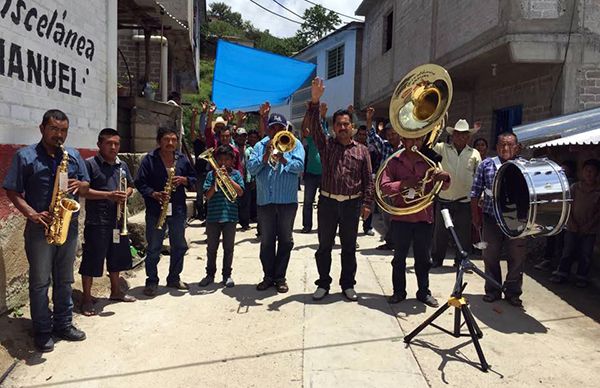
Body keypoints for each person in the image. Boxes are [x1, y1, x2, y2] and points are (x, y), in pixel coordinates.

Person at [3, 109, 90, 352]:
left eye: (63, 130)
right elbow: (12, 190)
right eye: (54, 129)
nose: (59, 135)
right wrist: (30, 212)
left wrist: (81, 184)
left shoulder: (72, 156)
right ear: (42, 128)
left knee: (65, 279)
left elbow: (85, 186)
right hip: (39, 228)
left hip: (68, 227)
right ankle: (42, 330)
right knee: (40, 282)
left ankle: (63, 324)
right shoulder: (25, 156)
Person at [305, 78, 373, 302]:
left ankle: (348, 285)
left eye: (346, 124)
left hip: (352, 205)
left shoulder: (362, 151)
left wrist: (367, 204)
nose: (343, 128)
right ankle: (323, 283)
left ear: (352, 127)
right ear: (333, 127)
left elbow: (367, 180)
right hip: (328, 203)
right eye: (339, 124)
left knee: (349, 248)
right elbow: (314, 128)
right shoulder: (326, 146)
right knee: (324, 246)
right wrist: (315, 100)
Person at [379, 135, 450, 307]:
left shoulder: (430, 161)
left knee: (424, 258)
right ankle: (399, 291)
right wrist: (404, 184)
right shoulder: (394, 161)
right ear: (403, 140)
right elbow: (384, 187)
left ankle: (424, 292)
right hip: (401, 216)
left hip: (423, 217)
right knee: (399, 258)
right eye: (411, 140)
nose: (415, 144)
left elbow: (445, 186)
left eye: (419, 140)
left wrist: (445, 177)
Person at [79, 128, 136, 316]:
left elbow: (130, 186)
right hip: (97, 221)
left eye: (116, 144)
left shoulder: (122, 165)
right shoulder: (89, 165)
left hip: (118, 221)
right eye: (109, 143)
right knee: (92, 259)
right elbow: (83, 192)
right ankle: (87, 298)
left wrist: (125, 194)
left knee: (116, 256)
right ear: (99, 145)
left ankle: (116, 291)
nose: (113, 147)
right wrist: (109, 195)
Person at [135, 127, 197, 296]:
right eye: (166, 140)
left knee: (179, 245)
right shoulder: (149, 160)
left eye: (173, 140)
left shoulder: (182, 159)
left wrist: (184, 180)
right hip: (156, 209)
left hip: (177, 209)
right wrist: (153, 194)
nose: (170, 143)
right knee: (154, 246)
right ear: (159, 141)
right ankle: (152, 281)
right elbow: (140, 183)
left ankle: (174, 278)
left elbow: (194, 179)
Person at [247, 111, 305, 293]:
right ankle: (268, 276)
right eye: (273, 128)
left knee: (286, 241)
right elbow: (251, 169)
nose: (276, 131)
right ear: (268, 129)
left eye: (280, 127)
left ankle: (280, 277)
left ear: (285, 128)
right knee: (266, 242)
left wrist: (283, 157)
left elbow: (299, 167)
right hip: (265, 201)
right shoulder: (259, 145)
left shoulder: (294, 144)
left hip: (287, 201)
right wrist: (265, 156)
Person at [470, 132, 526, 307]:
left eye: (510, 145)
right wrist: (475, 217)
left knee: (517, 257)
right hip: (491, 219)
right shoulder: (486, 165)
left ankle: (513, 292)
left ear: (517, 147)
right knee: (490, 256)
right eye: (502, 145)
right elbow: (475, 192)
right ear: (496, 146)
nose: (506, 148)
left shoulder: (523, 166)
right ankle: (493, 290)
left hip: (516, 220)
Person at [431, 119, 481, 267]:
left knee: (463, 234)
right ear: (452, 136)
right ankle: (437, 259)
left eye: (464, 135)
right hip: (444, 199)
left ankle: (461, 261)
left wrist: (478, 197)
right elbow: (429, 146)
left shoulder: (474, 153)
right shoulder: (442, 148)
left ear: (468, 137)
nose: (460, 137)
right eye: (457, 134)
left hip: (464, 201)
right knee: (440, 233)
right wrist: (435, 129)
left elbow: (478, 176)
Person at [198, 145, 245, 288]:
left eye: (227, 160)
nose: (223, 163)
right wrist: (217, 181)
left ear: (232, 160)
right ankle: (209, 274)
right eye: (220, 160)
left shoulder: (236, 174)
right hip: (213, 217)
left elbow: (240, 193)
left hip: (230, 217)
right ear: (216, 160)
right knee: (211, 248)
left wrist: (228, 179)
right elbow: (207, 195)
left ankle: (227, 275)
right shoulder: (211, 175)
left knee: (228, 248)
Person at [549, 159, 600, 287]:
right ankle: (562, 273)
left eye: (592, 171)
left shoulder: (598, 191)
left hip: (590, 229)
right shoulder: (575, 187)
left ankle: (581, 277)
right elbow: (568, 205)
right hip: (572, 226)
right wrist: (571, 221)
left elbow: (598, 212)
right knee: (567, 251)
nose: (589, 174)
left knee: (586, 254)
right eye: (587, 171)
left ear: (597, 174)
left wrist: (588, 225)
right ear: (582, 172)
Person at [366, 107, 402, 251]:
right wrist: (369, 119)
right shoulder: (384, 146)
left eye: (394, 134)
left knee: (400, 217)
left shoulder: (405, 148)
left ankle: (401, 242)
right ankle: (390, 242)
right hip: (386, 188)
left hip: (401, 189)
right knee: (386, 216)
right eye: (389, 134)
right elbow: (372, 135)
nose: (391, 136)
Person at [300, 103, 324, 234]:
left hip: (324, 175)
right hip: (310, 175)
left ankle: (323, 226)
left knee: (324, 204)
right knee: (308, 202)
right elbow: (304, 128)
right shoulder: (311, 138)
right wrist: (308, 112)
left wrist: (321, 114)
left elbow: (321, 123)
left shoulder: (325, 138)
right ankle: (307, 226)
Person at [354, 125, 376, 236]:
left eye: (364, 135)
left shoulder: (371, 148)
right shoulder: (352, 147)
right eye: (360, 134)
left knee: (368, 204)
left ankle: (367, 227)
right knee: (354, 209)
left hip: (367, 180)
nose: (362, 137)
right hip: (355, 182)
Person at [235, 127, 251, 230]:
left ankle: (245, 223)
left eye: (244, 136)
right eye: (239, 136)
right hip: (235, 179)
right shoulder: (232, 148)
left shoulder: (250, 149)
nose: (241, 138)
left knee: (246, 202)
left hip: (247, 179)